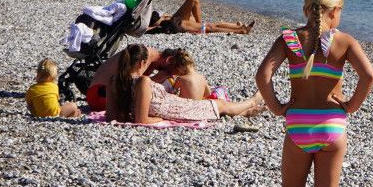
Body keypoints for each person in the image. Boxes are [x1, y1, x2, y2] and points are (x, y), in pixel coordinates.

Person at [254, 0, 373, 187]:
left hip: (298, 124)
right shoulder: (344, 42)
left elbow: (263, 75)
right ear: (334, 11)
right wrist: (349, 106)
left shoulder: (289, 39)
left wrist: (277, 107)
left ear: (305, 8)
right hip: (331, 125)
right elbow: (369, 76)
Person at [105, 44, 264, 124]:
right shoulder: (144, 81)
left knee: (218, 107)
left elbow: (110, 116)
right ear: (142, 63)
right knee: (220, 104)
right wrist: (161, 120)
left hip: (174, 105)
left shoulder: (113, 81)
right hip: (177, 109)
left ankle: (246, 112)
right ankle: (252, 100)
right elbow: (142, 120)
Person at [146, 0, 253, 35]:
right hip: (173, 24)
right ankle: (241, 30)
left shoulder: (142, 12)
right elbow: (146, 29)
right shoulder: (143, 22)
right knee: (210, 27)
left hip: (173, 19)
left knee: (194, 0)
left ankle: (238, 26)